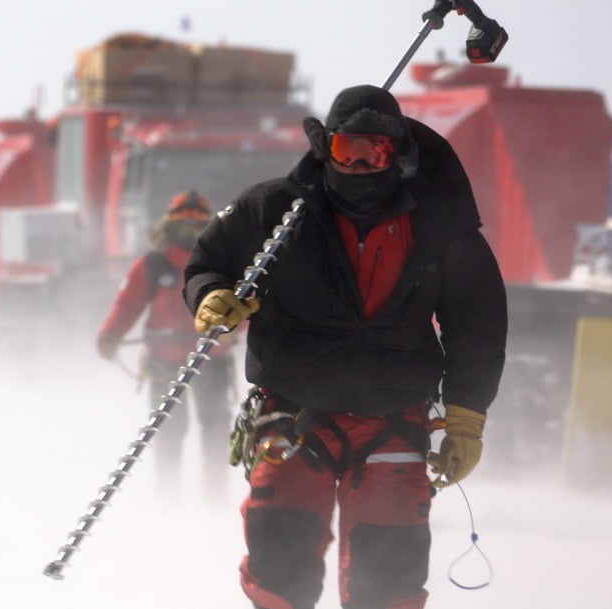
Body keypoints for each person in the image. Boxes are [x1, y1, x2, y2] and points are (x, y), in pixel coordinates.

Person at [182, 85, 507, 609]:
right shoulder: (274, 209)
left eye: (372, 152)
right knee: (278, 566)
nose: (356, 166)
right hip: (293, 411)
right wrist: (212, 295)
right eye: (344, 151)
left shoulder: (440, 226)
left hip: (392, 418)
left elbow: (479, 324)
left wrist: (467, 414)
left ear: (396, 154)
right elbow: (207, 262)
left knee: (388, 579)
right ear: (324, 149)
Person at [96, 190, 239, 496]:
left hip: (211, 359)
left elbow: (243, 304)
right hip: (164, 359)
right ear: (168, 226)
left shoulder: (224, 264)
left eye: (196, 224)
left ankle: (215, 497)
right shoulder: (151, 265)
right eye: (183, 223)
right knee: (169, 432)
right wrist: (111, 335)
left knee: (214, 430)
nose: (189, 230)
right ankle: (168, 497)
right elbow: (127, 304)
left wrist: (233, 327)